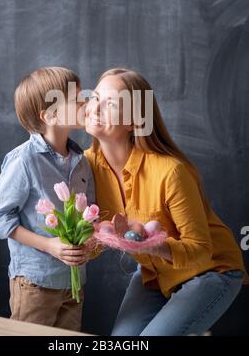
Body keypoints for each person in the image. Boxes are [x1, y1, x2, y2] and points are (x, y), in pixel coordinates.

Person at [84, 67, 249, 336]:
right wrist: (78, 246)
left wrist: (152, 246)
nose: (95, 108)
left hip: (210, 271)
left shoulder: (170, 171)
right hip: (153, 274)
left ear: (134, 121)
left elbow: (200, 249)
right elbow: (97, 236)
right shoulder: (86, 166)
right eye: (94, 97)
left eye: (110, 103)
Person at [0, 66, 95, 331]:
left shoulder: (82, 162)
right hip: (35, 284)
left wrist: (89, 243)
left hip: (74, 284)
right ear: (50, 114)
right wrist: (49, 246)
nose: (87, 103)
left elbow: (90, 213)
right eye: (78, 99)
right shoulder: (23, 161)